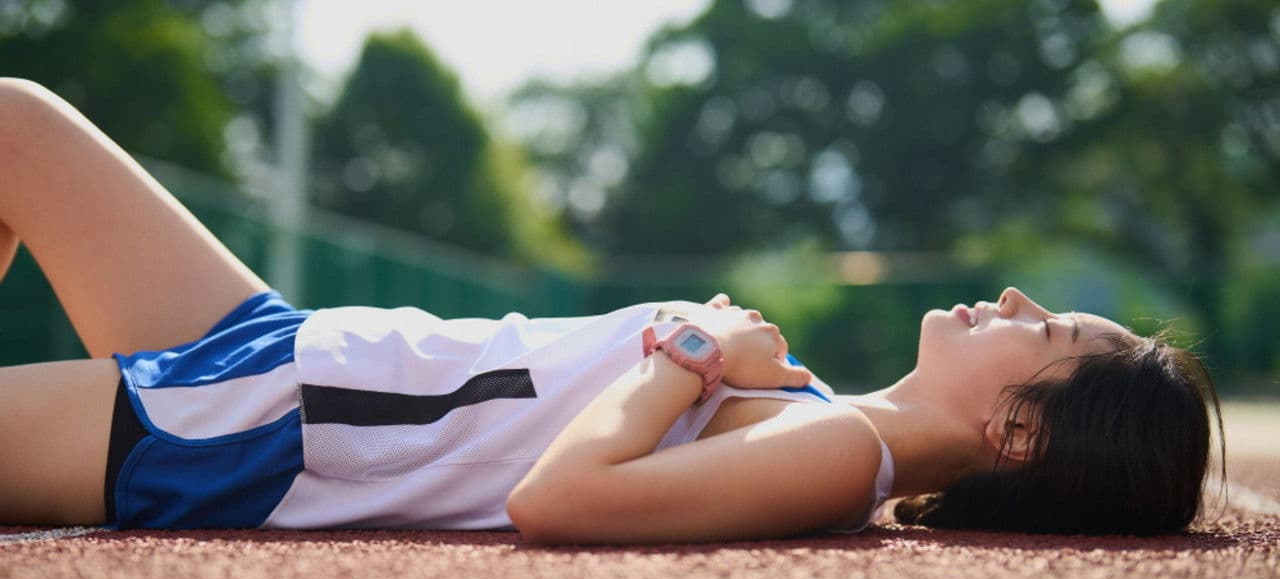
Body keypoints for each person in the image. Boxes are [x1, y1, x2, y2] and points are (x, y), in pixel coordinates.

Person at [0, 78, 1225, 544]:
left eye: (1050, 329)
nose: (1015, 297)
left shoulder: (843, 451)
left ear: (1019, 435)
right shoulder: (826, 412)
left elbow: (561, 499)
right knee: (16, 122)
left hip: (245, 431)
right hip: (280, 349)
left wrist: (692, 354)